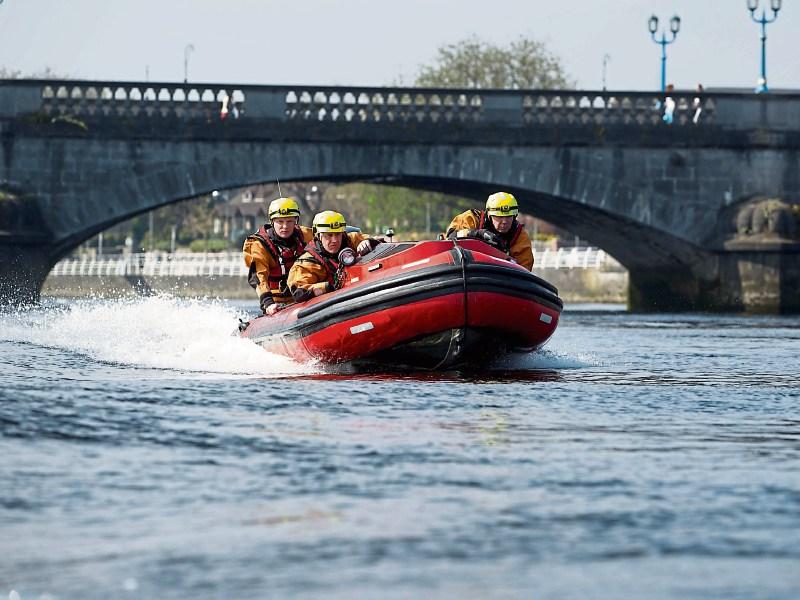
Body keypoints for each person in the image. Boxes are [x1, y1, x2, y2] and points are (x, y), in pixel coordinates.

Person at [287, 210, 383, 301]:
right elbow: (299, 292)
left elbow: (379, 242)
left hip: (362, 291)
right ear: (318, 235)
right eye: (329, 235)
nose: (335, 240)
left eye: (338, 234)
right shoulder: (307, 263)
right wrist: (328, 287)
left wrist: (368, 242)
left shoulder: (352, 240)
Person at [242, 196, 314, 315]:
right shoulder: (259, 244)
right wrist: (268, 303)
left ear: (296, 221)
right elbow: (260, 277)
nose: (285, 226)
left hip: (306, 296)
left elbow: (332, 238)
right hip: (277, 301)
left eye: (290, 221)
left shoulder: (306, 235)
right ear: (272, 222)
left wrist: (356, 243)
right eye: (280, 222)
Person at [445, 191, 534, 271]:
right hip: (465, 267)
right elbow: (451, 235)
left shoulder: (519, 237)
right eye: (499, 217)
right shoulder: (472, 219)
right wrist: (478, 234)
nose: (504, 221)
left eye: (509, 216)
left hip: (499, 277)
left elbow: (524, 269)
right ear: (489, 215)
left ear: (514, 216)